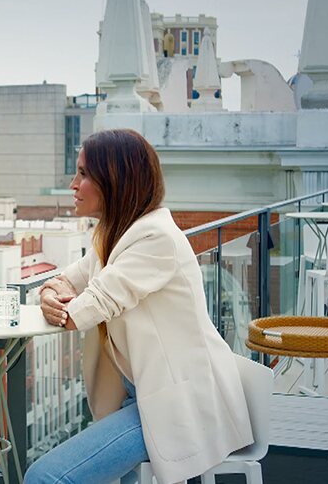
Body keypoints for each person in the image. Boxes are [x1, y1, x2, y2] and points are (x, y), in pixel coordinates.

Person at [26, 129, 253, 484]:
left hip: (171, 401)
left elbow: (88, 307)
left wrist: (59, 305)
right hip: (138, 392)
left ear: (114, 179)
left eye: (83, 174)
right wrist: (49, 294)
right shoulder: (111, 234)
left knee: (44, 477)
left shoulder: (155, 238)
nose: (73, 184)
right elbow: (67, 281)